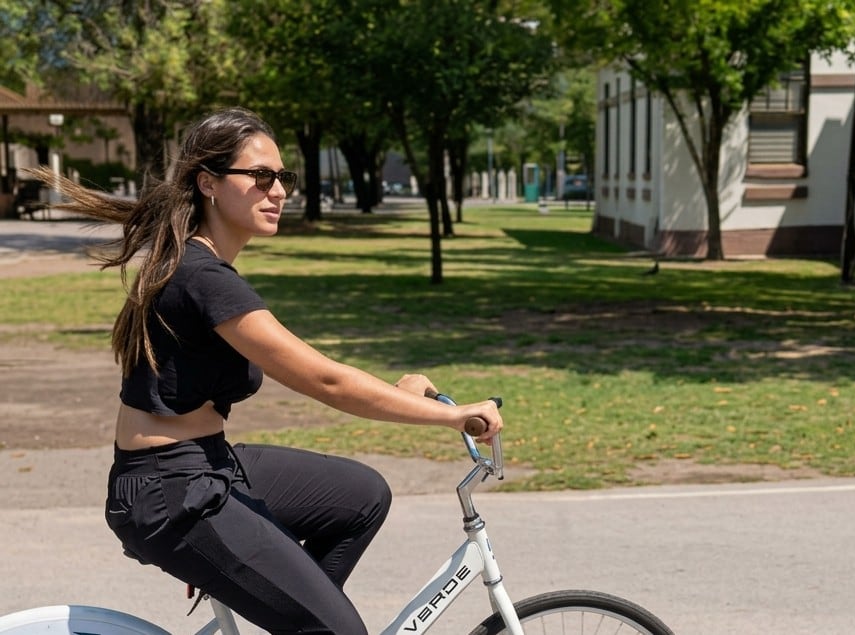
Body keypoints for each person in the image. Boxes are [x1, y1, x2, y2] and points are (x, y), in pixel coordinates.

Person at [29, 106, 503, 635]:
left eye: (283, 177)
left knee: (362, 496)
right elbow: (324, 381)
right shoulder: (202, 277)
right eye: (260, 177)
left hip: (205, 467)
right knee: (342, 632)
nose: (277, 190)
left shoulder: (199, 266)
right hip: (171, 492)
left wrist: (402, 392)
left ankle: (278, 596)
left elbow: (316, 366)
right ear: (208, 182)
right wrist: (453, 416)